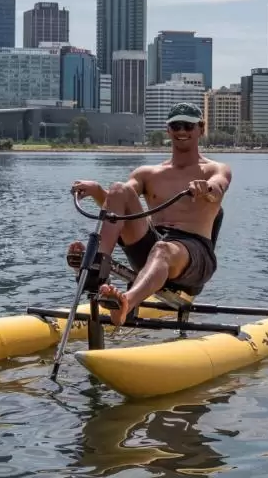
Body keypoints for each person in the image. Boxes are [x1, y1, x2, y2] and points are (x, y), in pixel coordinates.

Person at [68, 102, 233, 327]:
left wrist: (207, 189)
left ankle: (125, 302)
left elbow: (218, 187)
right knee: (119, 188)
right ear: (168, 130)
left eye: (188, 125)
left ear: (200, 129)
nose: (182, 131)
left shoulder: (215, 169)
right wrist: (97, 190)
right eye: (176, 126)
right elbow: (117, 210)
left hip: (194, 255)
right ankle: (97, 270)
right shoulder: (148, 174)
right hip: (154, 244)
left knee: (162, 249)